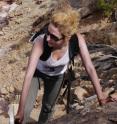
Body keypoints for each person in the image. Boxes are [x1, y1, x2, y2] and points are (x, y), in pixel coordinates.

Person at [15, 6, 109, 124]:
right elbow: (28, 75)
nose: (48, 38)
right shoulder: (40, 41)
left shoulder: (77, 41)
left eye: (54, 37)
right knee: (26, 109)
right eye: (48, 33)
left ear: (67, 38)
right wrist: (20, 110)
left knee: (48, 109)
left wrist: (100, 96)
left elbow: (89, 68)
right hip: (36, 74)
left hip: (56, 76)